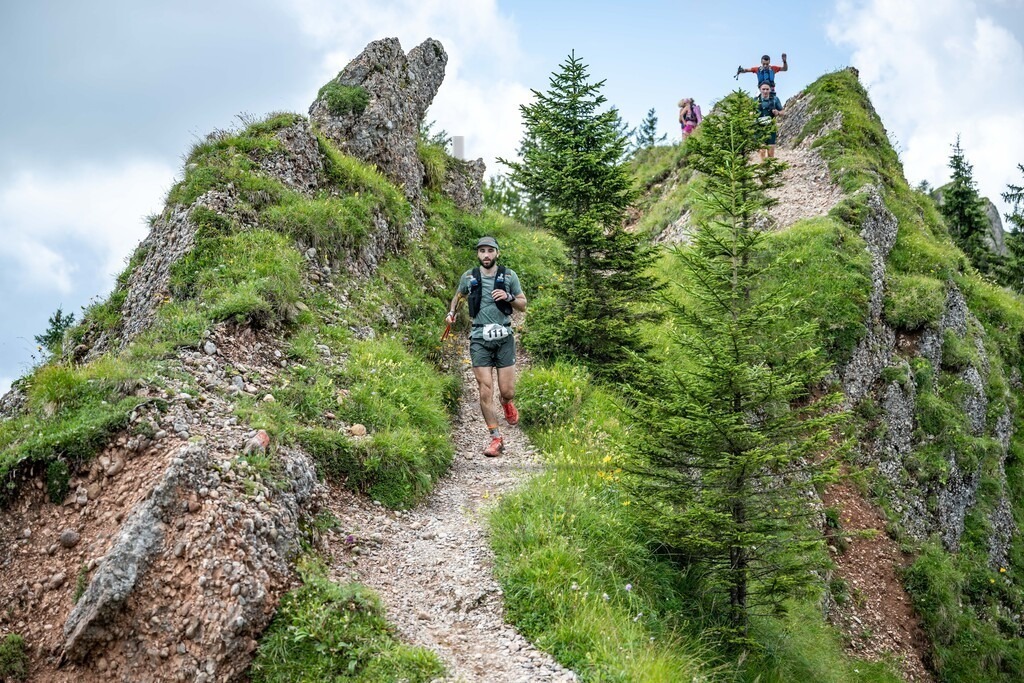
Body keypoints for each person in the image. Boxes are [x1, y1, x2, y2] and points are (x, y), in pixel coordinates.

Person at [445, 236, 527, 457]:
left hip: (504, 337)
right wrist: (452, 312)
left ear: (497, 253)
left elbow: (523, 304)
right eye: (482, 251)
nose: (486, 255)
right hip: (479, 337)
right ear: (478, 254)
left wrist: (508, 296)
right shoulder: (469, 276)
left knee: (507, 391)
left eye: (490, 251)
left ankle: (507, 403)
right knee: (485, 389)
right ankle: (495, 438)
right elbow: (458, 296)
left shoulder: (509, 276)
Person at [755, 82, 784, 159]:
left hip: (771, 127)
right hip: (759, 127)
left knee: (771, 149)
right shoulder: (755, 100)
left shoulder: (775, 99)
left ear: (770, 89)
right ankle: (763, 166)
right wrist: (751, 114)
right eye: (763, 89)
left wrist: (777, 112)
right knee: (762, 150)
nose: (765, 91)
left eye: (767, 89)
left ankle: (769, 168)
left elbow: (782, 112)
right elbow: (749, 111)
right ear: (760, 90)